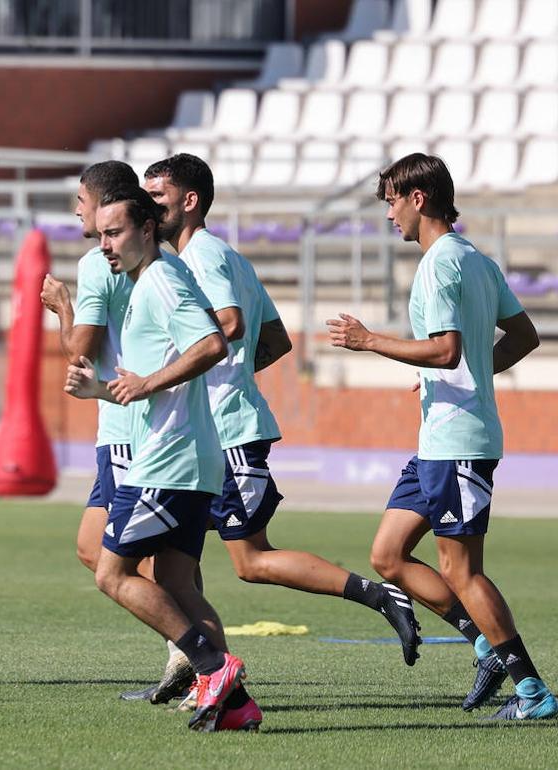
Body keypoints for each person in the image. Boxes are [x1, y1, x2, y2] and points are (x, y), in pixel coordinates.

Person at [141, 154, 421, 681]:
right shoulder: (230, 257)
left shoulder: (201, 257)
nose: (149, 206)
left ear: (190, 201)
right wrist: (236, 371)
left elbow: (230, 321)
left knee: (248, 560)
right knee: (170, 562)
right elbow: (274, 339)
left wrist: (190, 369)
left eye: (158, 196)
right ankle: (197, 668)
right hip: (213, 431)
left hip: (226, 434)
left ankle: (379, 595)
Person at [328, 153, 554, 720]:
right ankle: (484, 646)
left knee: (461, 569)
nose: (388, 215)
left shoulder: (439, 266)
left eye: (390, 202)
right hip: (441, 439)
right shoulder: (475, 259)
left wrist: (369, 340)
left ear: (418, 198)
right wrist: (461, 375)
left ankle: (532, 692)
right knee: (387, 553)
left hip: (458, 444)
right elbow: (522, 335)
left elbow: (446, 349)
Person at [65, 186, 258, 732]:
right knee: (176, 581)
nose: (105, 244)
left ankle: (211, 667)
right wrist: (102, 391)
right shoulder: (148, 280)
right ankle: (237, 706)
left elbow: (212, 345)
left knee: (112, 573)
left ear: (147, 230)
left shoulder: (163, 280)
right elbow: (157, 381)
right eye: (100, 234)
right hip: (188, 458)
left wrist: (146, 382)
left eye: (115, 232)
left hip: (168, 462)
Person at [40, 161, 194, 699]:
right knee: (95, 548)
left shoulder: (97, 264)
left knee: (133, 560)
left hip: (134, 424)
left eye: (81, 199)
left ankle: (192, 653)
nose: (77, 210)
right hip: (123, 420)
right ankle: (191, 650)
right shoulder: (148, 261)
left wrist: (61, 309)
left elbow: (79, 354)